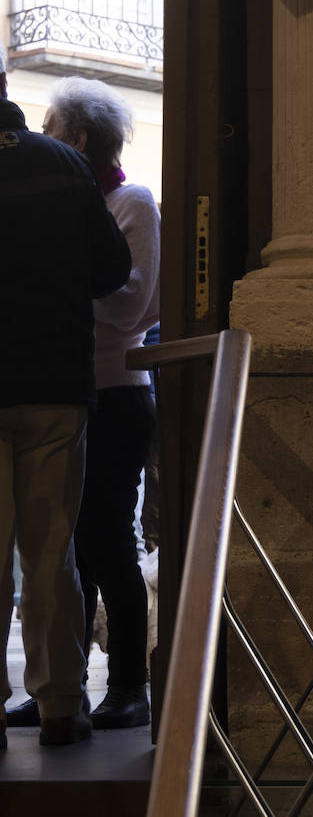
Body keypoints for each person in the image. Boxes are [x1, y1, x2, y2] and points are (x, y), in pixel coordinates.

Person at [0, 47, 132, 747]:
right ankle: (59, 704)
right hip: (55, 385)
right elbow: (113, 269)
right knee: (52, 551)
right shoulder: (65, 165)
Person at [41, 77, 160, 730]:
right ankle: (65, 686)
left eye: (52, 128)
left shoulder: (133, 201)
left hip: (117, 394)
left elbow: (132, 303)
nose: (43, 139)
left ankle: (130, 686)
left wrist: (56, 299)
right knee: (69, 546)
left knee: (110, 540)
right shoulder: (71, 208)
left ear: (78, 140)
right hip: (73, 389)